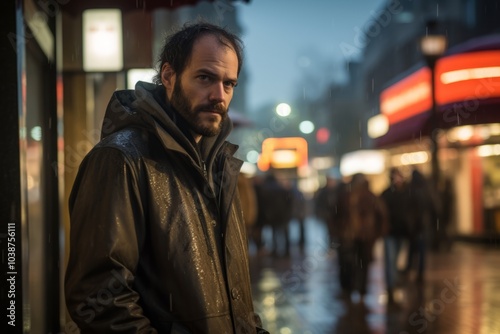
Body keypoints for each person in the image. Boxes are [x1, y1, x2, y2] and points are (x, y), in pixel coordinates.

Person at [65, 22, 268, 334]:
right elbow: (99, 298)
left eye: (229, 84)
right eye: (205, 78)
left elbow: (234, 297)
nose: (219, 95)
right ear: (169, 77)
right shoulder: (121, 159)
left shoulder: (220, 166)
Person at [333, 173, 388, 304]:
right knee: (357, 264)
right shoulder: (362, 197)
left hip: (358, 237)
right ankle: (356, 289)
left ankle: (355, 289)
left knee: (355, 264)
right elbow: (382, 216)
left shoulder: (353, 196)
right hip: (356, 237)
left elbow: (382, 216)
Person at [379, 168, 412, 304]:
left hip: (402, 231)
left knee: (396, 258)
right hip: (390, 232)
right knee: (390, 259)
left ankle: (393, 281)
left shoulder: (406, 193)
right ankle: (391, 285)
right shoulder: (387, 194)